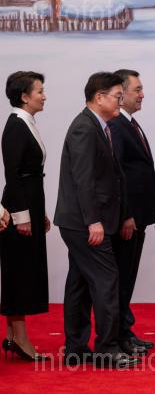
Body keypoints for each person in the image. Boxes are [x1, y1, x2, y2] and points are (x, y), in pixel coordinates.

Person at [54, 72, 139, 368]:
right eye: (117, 96)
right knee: (106, 280)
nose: (121, 101)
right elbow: (84, 180)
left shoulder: (99, 126)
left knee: (79, 283)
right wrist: (93, 221)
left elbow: (111, 177)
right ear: (99, 97)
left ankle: (76, 348)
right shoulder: (84, 128)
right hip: (83, 222)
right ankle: (107, 348)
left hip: (84, 220)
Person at [108, 69, 155, 355]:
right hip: (127, 219)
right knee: (122, 278)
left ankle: (125, 331)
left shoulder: (130, 123)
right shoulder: (117, 126)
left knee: (128, 277)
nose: (142, 94)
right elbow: (117, 174)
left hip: (139, 216)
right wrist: (126, 214)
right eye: (137, 90)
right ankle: (118, 336)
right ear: (121, 92)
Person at [1, 71, 50, 361]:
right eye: (39, 91)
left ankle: (11, 336)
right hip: (18, 207)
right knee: (19, 272)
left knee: (20, 269)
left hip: (31, 202)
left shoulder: (26, 122)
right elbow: (12, 174)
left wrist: (39, 212)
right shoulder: (16, 126)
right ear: (24, 96)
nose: (44, 96)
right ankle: (21, 339)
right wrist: (22, 216)